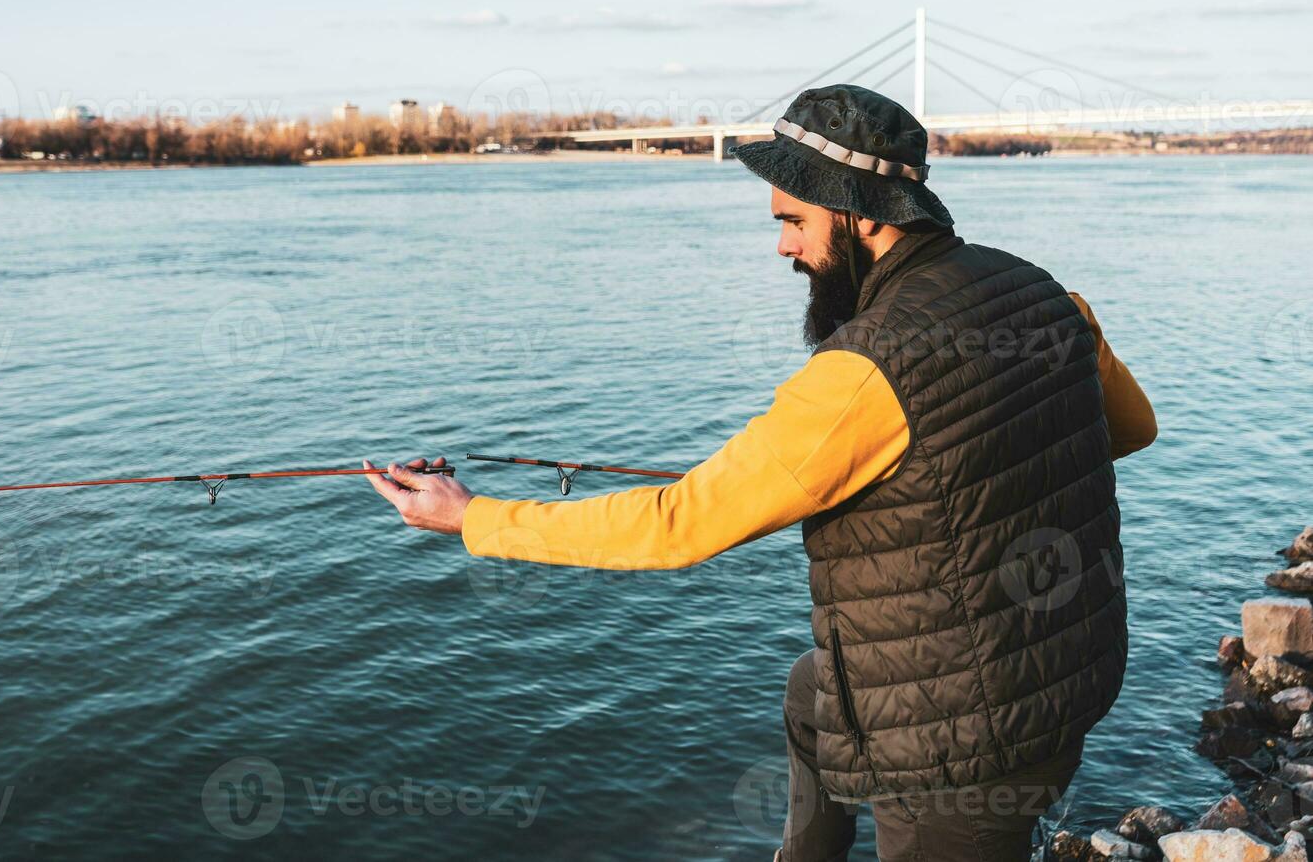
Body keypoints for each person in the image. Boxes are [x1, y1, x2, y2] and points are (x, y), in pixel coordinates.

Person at [365, 85, 1157, 861]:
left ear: (865, 215)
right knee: (812, 695)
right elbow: (1129, 427)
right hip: (1061, 666)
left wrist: (472, 517)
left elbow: (678, 526)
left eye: (794, 221)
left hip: (959, 748)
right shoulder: (1045, 293)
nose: (783, 248)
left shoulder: (863, 373)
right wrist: (960, 467)